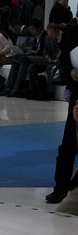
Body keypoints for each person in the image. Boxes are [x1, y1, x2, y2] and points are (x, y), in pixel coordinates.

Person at [45, 19, 78, 204]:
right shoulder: (74, 32)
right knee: (69, 143)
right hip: (77, 96)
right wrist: (70, 72)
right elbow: (64, 59)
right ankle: (61, 188)